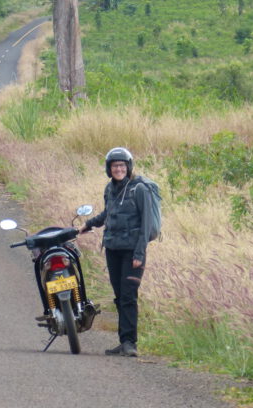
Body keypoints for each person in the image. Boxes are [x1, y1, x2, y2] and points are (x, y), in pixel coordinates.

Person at [79, 146, 155, 358]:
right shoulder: (109, 189)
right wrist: (88, 225)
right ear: (109, 168)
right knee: (120, 296)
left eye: (122, 165)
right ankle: (123, 342)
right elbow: (108, 212)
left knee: (129, 296)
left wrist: (140, 254)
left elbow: (147, 224)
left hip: (132, 252)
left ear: (128, 167)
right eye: (115, 166)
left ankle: (130, 343)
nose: (118, 169)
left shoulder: (139, 190)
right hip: (112, 249)